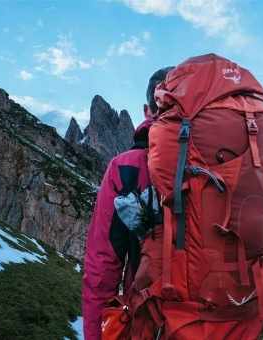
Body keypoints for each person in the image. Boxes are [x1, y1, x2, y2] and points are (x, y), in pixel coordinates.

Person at [82, 67, 173, 340]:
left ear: (148, 111)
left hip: (153, 324)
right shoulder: (228, 164)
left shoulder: (127, 167)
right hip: (226, 324)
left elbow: (102, 267)